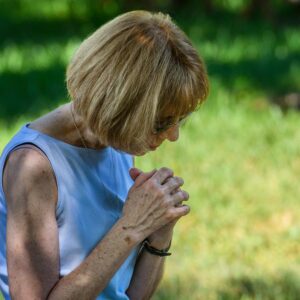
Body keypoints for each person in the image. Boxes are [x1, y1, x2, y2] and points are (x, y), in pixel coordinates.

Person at [0, 10, 209, 300]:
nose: (174, 135)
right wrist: (131, 226)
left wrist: (158, 234)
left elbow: (126, 294)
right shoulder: (35, 167)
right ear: (119, 105)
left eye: (180, 119)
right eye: (161, 122)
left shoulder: (118, 146)